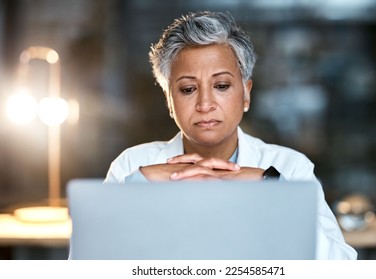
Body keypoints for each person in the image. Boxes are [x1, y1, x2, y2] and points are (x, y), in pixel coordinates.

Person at [104, 11, 357, 260]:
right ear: (170, 100)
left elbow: (339, 266)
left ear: (246, 94)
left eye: (221, 86)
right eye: (188, 89)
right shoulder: (132, 167)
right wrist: (136, 189)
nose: (205, 104)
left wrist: (272, 189)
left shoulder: (289, 169)